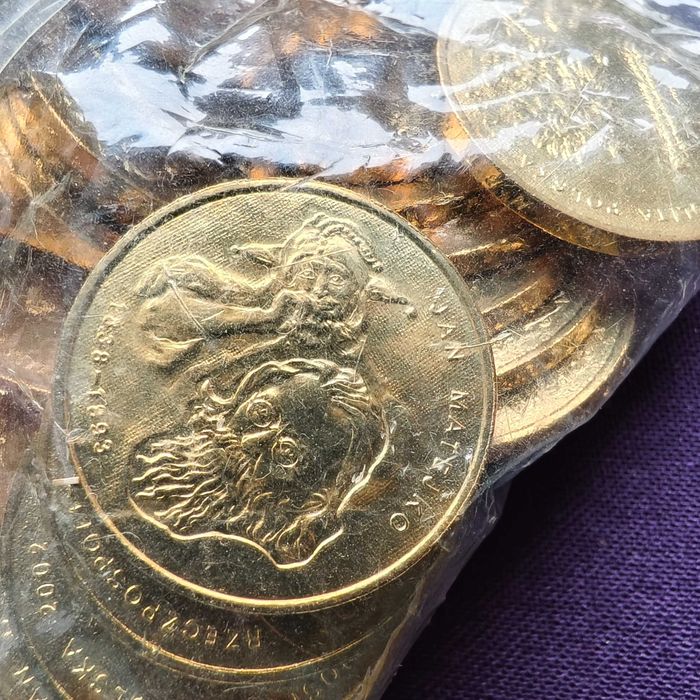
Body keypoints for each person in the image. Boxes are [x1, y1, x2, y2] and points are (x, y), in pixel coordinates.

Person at [130, 357, 390, 568]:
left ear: (317, 493)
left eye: (287, 453)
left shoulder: (242, 563)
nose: (250, 441)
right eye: (262, 412)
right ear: (246, 393)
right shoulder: (150, 462)